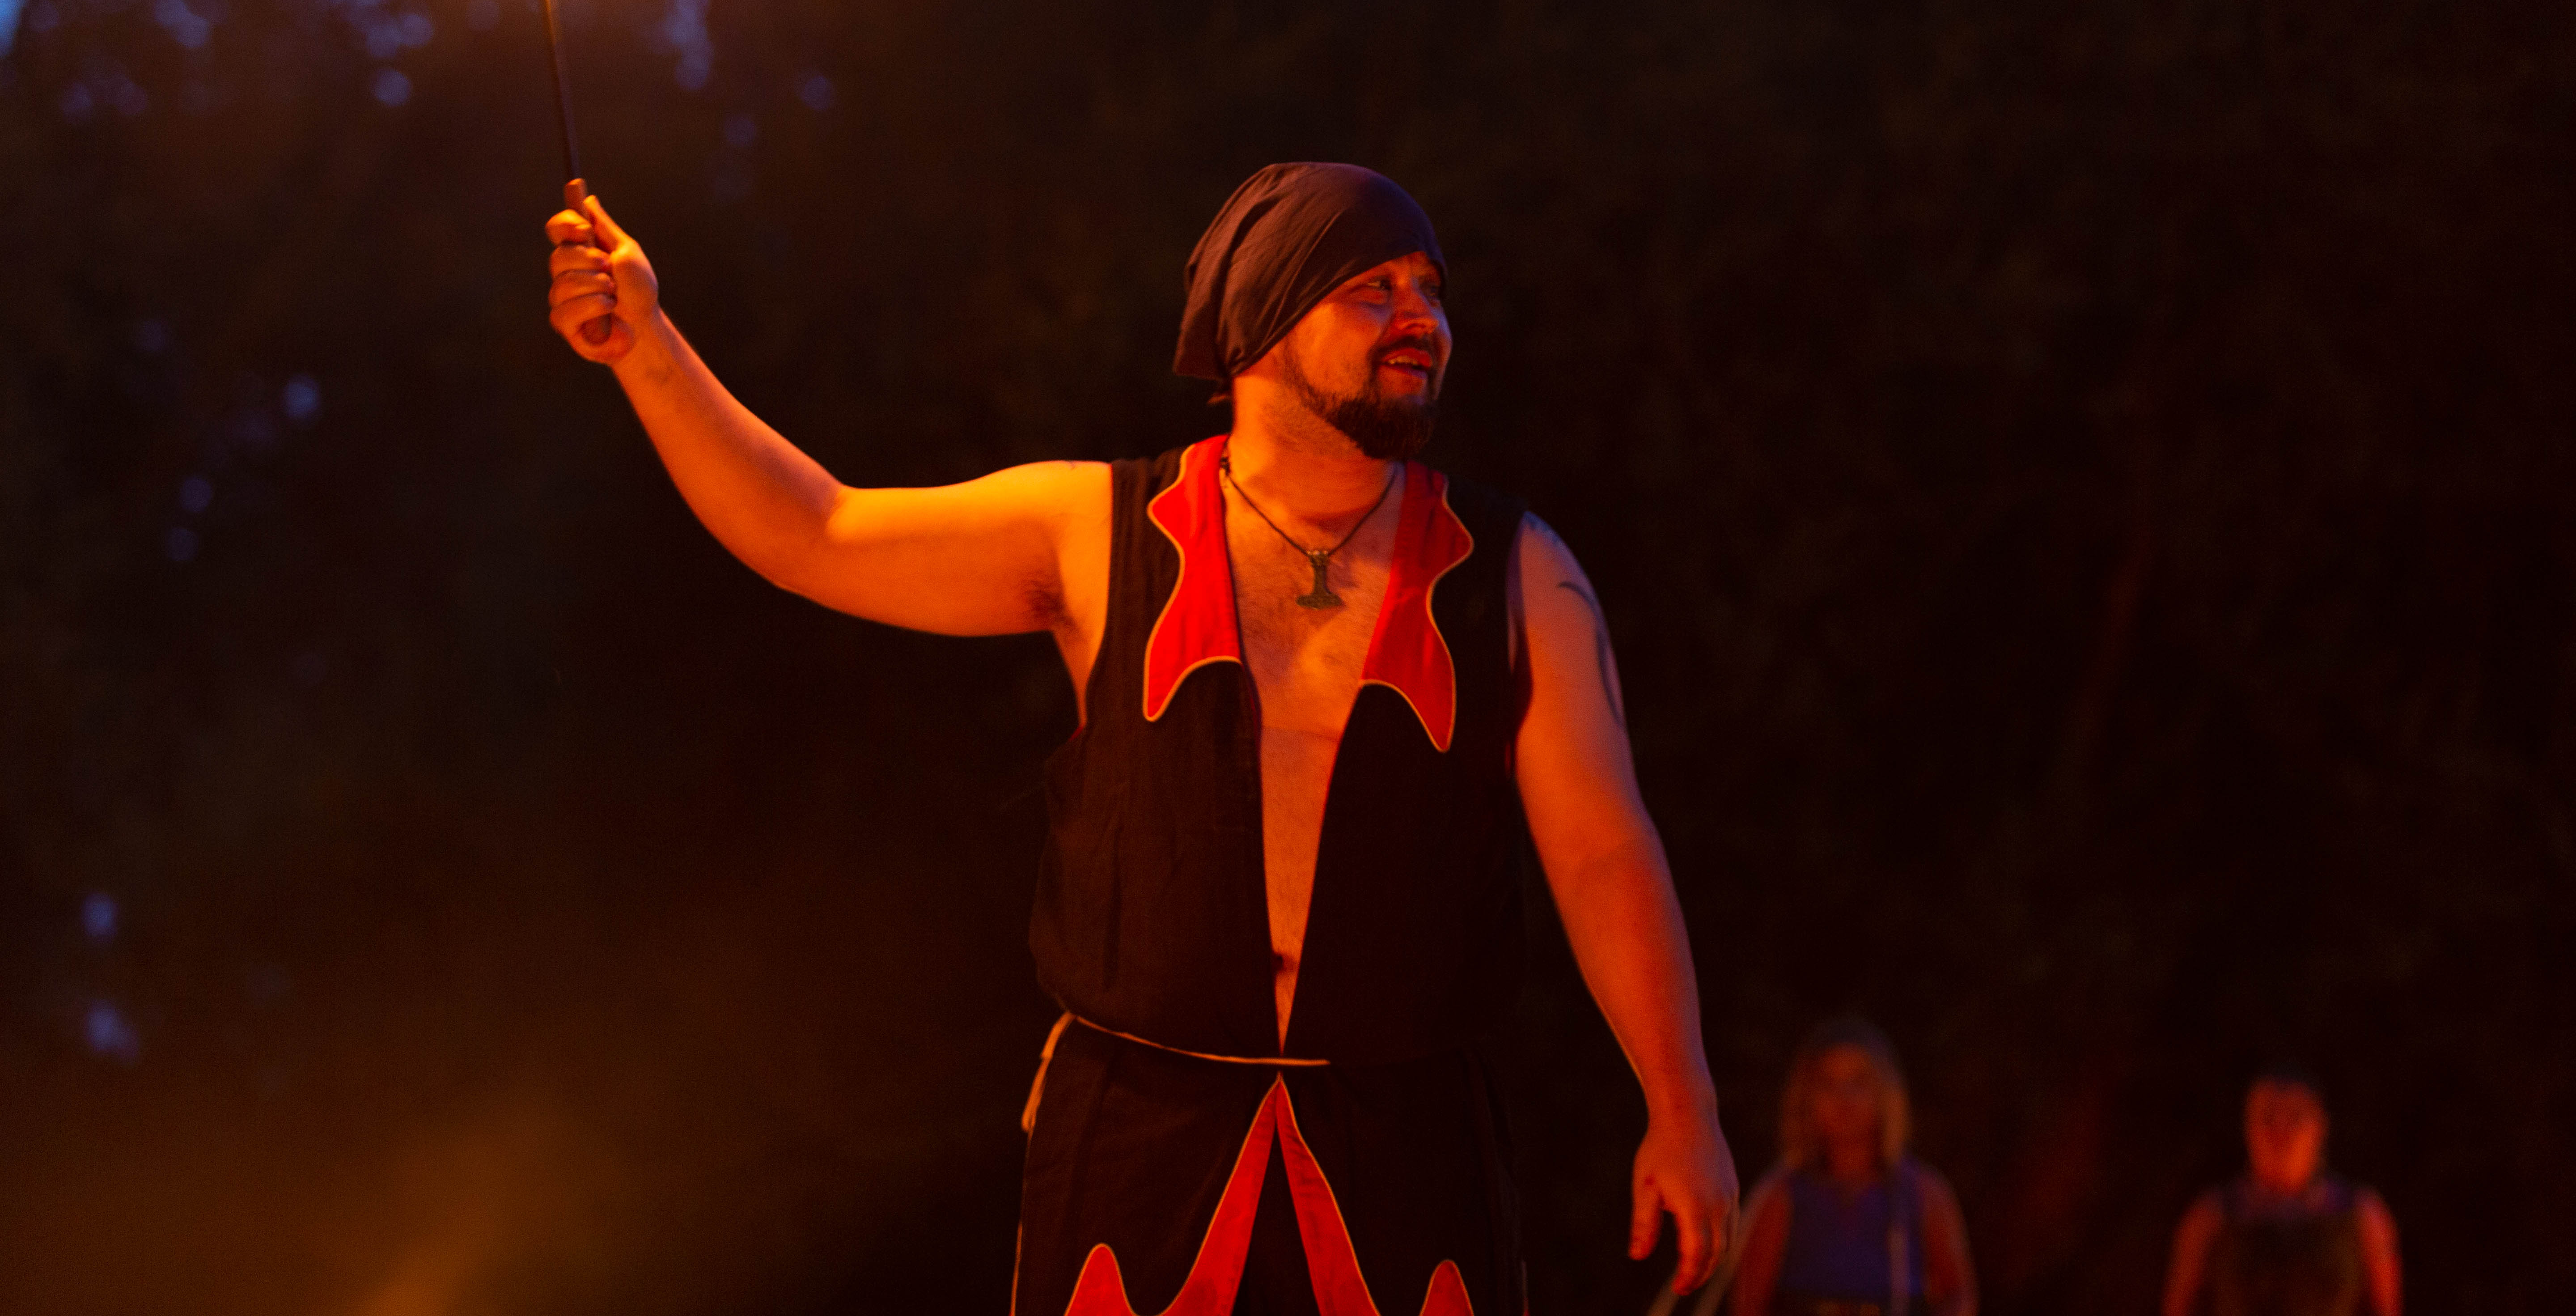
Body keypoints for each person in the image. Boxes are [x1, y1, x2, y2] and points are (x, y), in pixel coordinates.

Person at [543, 161, 1738, 1316]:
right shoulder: (1094, 527)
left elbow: (1601, 849)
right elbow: (817, 532)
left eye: (1429, 288)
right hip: (1137, 1142)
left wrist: (1682, 1107)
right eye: (1372, 288)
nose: (1420, 316)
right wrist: (647, 347)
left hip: (1409, 1148)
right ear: (1262, 320)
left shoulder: (1518, 571)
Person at [1724, 1019, 1974, 1316]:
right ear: (1807, 1097)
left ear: (1885, 1093)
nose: (1844, 1099)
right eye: (1828, 1084)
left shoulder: (1923, 1191)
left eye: (1860, 1082)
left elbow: (1959, 1295)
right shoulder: (1781, 1194)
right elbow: (1748, 1305)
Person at [2161, 1066, 2401, 1316]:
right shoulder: (2211, 1218)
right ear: (2248, 1125)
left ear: (2320, 1127)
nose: (2280, 1130)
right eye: (2268, 1116)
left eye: (2295, 1116)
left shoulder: (2361, 1217)